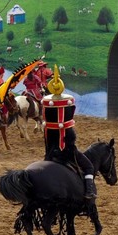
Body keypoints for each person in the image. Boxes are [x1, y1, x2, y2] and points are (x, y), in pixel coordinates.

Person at [41, 70, 96, 201]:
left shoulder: (48, 130)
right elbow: (70, 140)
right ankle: (89, 191)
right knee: (89, 166)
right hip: (67, 152)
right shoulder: (68, 131)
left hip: (50, 152)